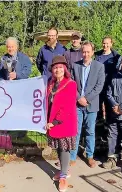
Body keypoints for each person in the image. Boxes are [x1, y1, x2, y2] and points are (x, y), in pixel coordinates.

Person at [70, 42, 105, 168]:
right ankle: (72, 157)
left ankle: (90, 156)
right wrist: (79, 98)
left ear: (93, 52)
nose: (85, 54)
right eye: (84, 52)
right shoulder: (75, 66)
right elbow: (72, 84)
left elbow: (99, 86)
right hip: (77, 104)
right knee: (75, 131)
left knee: (90, 131)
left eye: (88, 52)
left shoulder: (99, 67)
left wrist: (87, 99)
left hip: (91, 104)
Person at [45, 55, 77, 192]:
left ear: (64, 69)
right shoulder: (50, 83)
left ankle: (63, 176)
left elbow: (68, 107)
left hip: (64, 122)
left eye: (60, 67)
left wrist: (55, 122)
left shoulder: (71, 84)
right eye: (55, 67)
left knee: (64, 149)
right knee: (58, 147)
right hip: (52, 122)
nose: (58, 70)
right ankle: (64, 169)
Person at [95, 36, 120, 122]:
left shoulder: (116, 57)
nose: (105, 45)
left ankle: (109, 130)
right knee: (98, 108)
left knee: (109, 108)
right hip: (99, 85)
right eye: (104, 43)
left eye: (107, 43)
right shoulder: (97, 55)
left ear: (111, 44)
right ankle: (99, 129)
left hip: (110, 86)